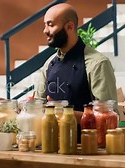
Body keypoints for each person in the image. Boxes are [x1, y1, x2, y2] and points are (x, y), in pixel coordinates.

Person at [35, 3, 118, 139]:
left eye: (50, 25)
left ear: (70, 26)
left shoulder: (97, 64)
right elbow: (39, 107)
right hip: (51, 146)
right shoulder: (48, 65)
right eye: (45, 25)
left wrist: (66, 114)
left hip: (88, 149)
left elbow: (109, 118)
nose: (45, 30)